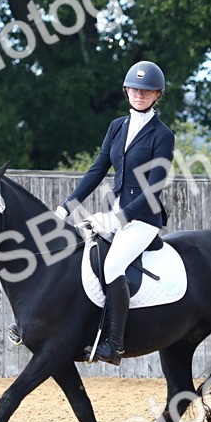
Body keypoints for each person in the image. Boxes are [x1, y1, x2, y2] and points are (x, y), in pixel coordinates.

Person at [56, 60, 176, 365]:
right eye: (135, 89)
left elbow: (154, 189)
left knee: (113, 267)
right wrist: (67, 206)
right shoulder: (117, 126)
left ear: (156, 95)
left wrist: (121, 218)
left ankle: (114, 344)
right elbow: (97, 169)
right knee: (77, 251)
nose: (140, 94)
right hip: (114, 214)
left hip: (143, 220)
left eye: (147, 91)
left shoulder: (163, 135)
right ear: (127, 91)